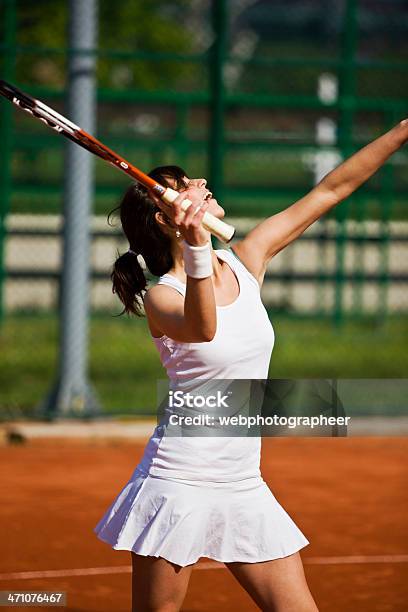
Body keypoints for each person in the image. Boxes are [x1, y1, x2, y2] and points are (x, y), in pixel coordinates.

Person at [94, 119, 407, 611]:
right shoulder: (162, 296)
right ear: (166, 219)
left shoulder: (247, 258)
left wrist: (402, 131)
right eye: (185, 185)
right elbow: (202, 327)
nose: (200, 184)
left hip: (243, 482)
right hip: (179, 481)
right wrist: (198, 248)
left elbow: (331, 190)